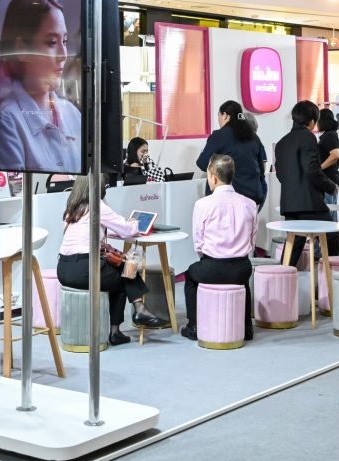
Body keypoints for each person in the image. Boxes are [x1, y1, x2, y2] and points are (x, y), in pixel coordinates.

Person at [57, 175, 169, 346]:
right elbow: (126, 230)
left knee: (122, 271)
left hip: (64, 269)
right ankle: (132, 316)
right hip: (84, 270)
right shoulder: (97, 206)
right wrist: (134, 223)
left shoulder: (72, 209)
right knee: (126, 274)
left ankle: (135, 313)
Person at [0, 0, 83, 173]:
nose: (63, 55)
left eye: (64, 41)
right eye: (52, 42)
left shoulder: (73, 114)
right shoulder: (7, 119)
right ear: (21, 49)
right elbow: (16, 185)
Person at [180, 155, 258, 342]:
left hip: (212, 267)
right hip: (242, 267)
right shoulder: (249, 203)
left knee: (190, 276)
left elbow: (199, 243)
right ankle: (247, 327)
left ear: (213, 177)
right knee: (243, 283)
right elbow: (252, 239)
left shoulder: (202, 204)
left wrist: (207, 259)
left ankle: (194, 326)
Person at [275, 101, 339, 263]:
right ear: (312, 121)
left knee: (295, 242)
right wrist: (330, 186)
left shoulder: (282, 143)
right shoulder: (308, 138)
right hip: (309, 203)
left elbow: (280, 174)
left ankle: (283, 276)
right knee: (332, 235)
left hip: (289, 203)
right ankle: (328, 275)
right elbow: (312, 170)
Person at [196, 100, 267, 209]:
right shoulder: (254, 137)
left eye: (219, 115)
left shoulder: (219, 136)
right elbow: (261, 169)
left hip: (227, 199)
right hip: (252, 197)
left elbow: (202, 163)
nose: (219, 119)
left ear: (225, 115)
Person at [317, 108, 339, 221]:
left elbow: (335, 155)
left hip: (329, 179)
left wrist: (319, 168)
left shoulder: (329, 136)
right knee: (330, 212)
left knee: (328, 214)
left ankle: (330, 232)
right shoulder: (330, 135)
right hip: (331, 178)